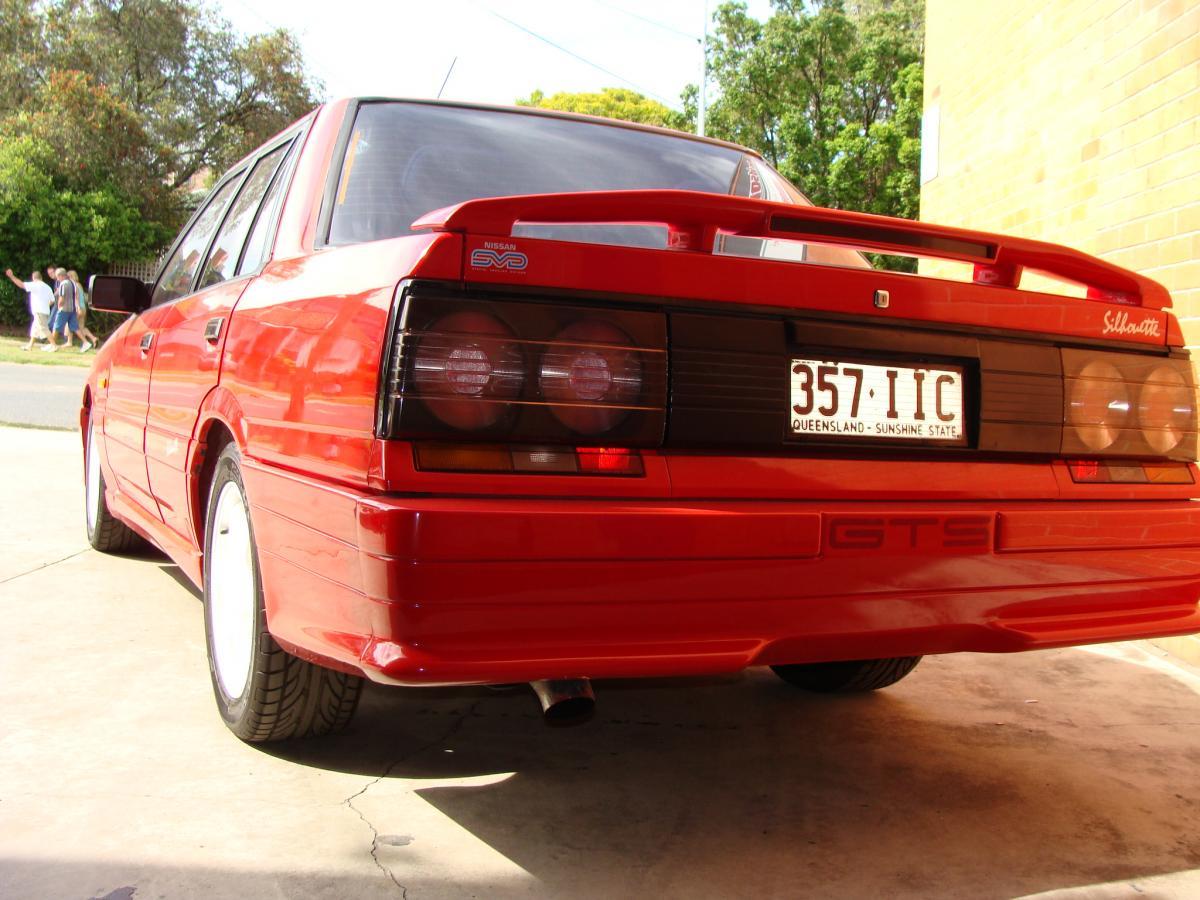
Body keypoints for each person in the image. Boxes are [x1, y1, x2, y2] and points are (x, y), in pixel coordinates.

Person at [4, 268, 55, 350]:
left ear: (33, 278)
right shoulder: (47, 287)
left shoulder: (35, 285)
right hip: (44, 311)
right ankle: (30, 346)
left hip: (39, 311)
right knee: (35, 329)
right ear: (41, 277)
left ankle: (54, 345)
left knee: (44, 328)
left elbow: (21, 285)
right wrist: (45, 305)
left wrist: (12, 276)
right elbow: (52, 301)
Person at [49, 267, 83, 352]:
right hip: (72, 308)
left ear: (61, 276)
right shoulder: (72, 283)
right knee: (74, 327)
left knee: (56, 327)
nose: (57, 278)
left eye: (57, 276)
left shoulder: (63, 284)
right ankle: (85, 342)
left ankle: (53, 345)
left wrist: (60, 306)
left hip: (64, 308)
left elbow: (61, 297)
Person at [68, 270, 97, 351]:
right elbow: (84, 297)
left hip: (78, 308)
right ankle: (93, 338)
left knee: (70, 324)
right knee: (81, 327)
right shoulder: (79, 285)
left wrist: (76, 307)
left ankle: (69, 342)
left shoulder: (73, 286)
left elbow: (75, 298)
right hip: (83, 307)